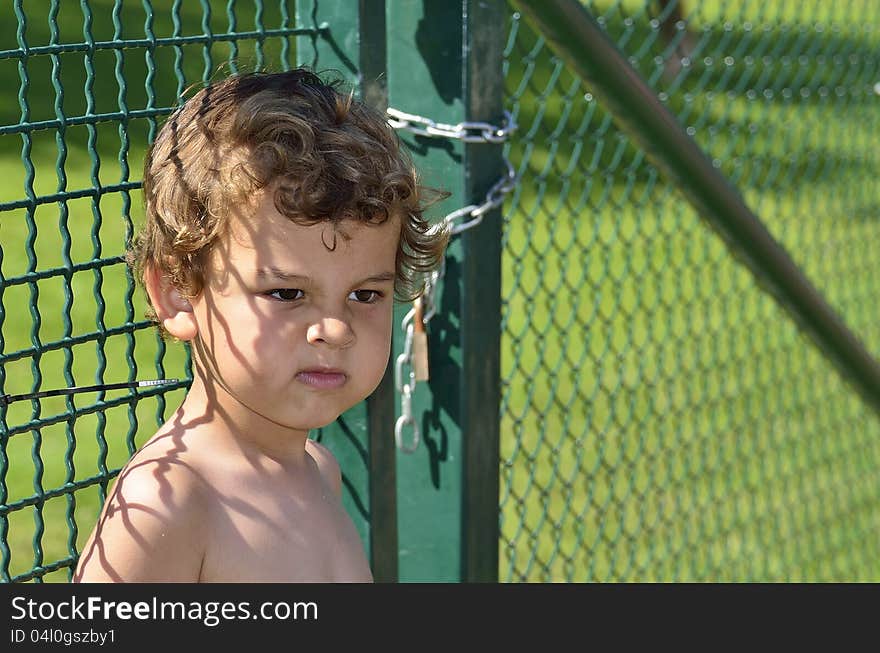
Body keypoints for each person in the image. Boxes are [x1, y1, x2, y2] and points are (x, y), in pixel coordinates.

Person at [73, 68, 448, 582]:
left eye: (365, 294)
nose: (335, 329)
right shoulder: (166, 504)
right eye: (288, 293)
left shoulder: (320, 470)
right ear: (180, 293)